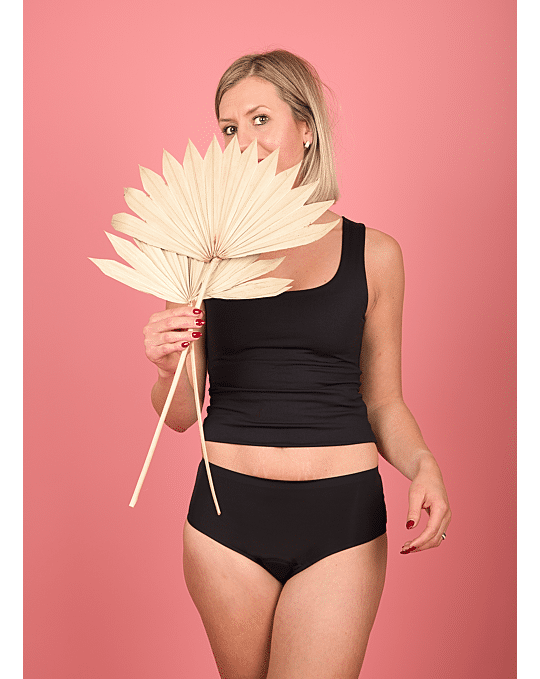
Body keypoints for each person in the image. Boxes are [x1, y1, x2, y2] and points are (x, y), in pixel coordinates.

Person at [143, 49, 452, 679]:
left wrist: (424, 465)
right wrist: (166, 362)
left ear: (306, 128)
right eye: (229, 128)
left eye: (261, 120)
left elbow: (383, 401)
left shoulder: (375, 254)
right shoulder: (200, 254)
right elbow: (178, 415)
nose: (243, 142)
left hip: (342, 518)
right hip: (226, 517)